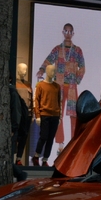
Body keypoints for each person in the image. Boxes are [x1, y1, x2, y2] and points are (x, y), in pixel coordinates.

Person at [36, 23, 85, 155]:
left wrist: (77, 79)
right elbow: (48, 60)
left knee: (74, 114)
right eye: (66, 31)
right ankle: (61, 144)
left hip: (72, 87)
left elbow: (82, 67)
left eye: (70, 32)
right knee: (59, 115)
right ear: (63, 32)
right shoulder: (58, 49)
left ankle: (74, 141)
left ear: (73, 33)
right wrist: (41, 69)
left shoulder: (77, 50)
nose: (68, 34)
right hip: (59, 85)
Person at [32, 65, 61, 167]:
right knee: (43, 136)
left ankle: (45, 159)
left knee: (50, 138)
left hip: (55, 115)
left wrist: (59, 115)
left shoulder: (57, 86)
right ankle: (36, 156)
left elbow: (59, 101)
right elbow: (36, 100)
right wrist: (38, 115)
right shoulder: (40, 85)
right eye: (51, 71)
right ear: (47, 71)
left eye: (54, 71)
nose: (53, 73)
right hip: (44, 114)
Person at [9, 80, 27, 181]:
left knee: (6, 157)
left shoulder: (11, 92)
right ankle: (19, 173)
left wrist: (13, 128)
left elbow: (16, 112)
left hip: (11, 130)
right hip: (11, 128)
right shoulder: (11, 91)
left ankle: (19, 173)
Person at [14, 63, 32, 165]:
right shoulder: (14, 84)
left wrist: (32, 113)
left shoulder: (28, 84)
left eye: (26, 70)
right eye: (22, 69)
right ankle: (13, 156)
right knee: (16, 134)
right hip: (17, 113)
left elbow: (31, 100)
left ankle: (19, 158)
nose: (24, 72)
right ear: (18, 70)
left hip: (27, 114)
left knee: (24, 135)